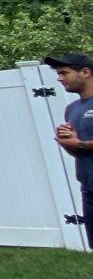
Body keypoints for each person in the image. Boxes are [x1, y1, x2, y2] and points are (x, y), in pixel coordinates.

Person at [49, 52, 93, 246]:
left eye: (64, 73)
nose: (59, 79)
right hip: (89, 187)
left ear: (85, 72)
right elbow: (78, 151)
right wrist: (67, 143)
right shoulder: (72, 109)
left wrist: (80, 143)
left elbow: (82, 145)